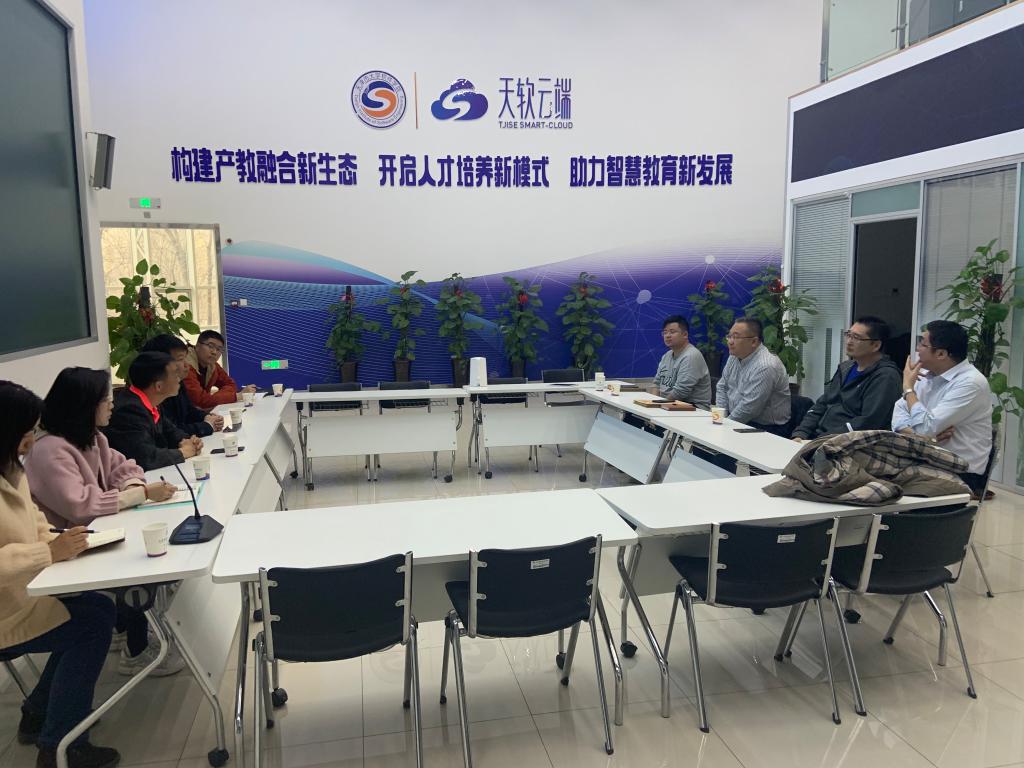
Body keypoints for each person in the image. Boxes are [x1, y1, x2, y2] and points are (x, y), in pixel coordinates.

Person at [24, 368, 184, 678]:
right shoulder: (49, 450)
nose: (112, 405)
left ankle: (123, 628)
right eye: (105, 399)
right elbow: (82, 506)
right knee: (140, 567)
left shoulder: (92, 437)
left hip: (92, 536)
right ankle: (136, 651)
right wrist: (139, 495)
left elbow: (125, 467)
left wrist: (132, 486)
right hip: (64, 549)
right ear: (84, 405)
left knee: (149, 555)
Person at [0, 380, 121, 768]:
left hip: (24, 595)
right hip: (7, 612)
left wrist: (65, 542)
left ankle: (40, 713)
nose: (32, 439)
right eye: (28, 431)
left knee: (98, 609)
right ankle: (60, 747)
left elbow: (36, 522)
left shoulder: (11, 469)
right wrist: (48, 552)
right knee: (90, 625)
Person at [892, 320, 993, 496]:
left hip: (959, 472)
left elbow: (925, 427)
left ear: (941, 353)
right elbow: (898, 414)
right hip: (926, 460)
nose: (917, 349)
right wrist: (921, 436)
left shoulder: (970, 383)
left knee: (887, 489)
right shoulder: (927, 375)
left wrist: (908, 389)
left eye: (923, 344)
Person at [792, 316, 902, 441]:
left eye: (856, 338)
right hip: (819, 438)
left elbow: (867, 423)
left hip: (850, 445)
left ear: (876, 345)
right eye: (848, 335)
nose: (849, 341)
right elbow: (822, 404)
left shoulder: (886, 377)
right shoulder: (845, 368)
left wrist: (819, 441)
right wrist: (801, 433)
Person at [103, 352, 203, 471]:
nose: (179, 379)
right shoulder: (128, 411)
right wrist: (183, 452)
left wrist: (190, 441)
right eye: (175, 374)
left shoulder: (150, 402)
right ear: (159, 386)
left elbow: (171, 432)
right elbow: (145, 458)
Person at [715, 318, 791, 433]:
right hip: (736, 419)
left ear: (754, 342)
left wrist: (724, 427)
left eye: (736, 337)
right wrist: (721, 417)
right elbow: (722, 387)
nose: (730, 341)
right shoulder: (734, 356)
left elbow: (749, 408)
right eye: (729, 336)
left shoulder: (766, 366)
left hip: (766, 428)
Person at [142, 335, 223, 435]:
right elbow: (169, 433)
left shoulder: (177, 382)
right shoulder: (147, 400)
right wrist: (207, 425)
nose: (186, 365)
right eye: (181, 359)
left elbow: (189, 410)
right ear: (160, 363)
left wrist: (207, 417)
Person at [650, 315, 712, 408]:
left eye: (672, 332)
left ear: (685, 335)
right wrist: (653, 403)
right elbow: (656, 384)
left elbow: (680, 391)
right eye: (665, 332)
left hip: (693, 407)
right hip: (669, 404)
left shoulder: (691, 356)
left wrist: (659, 406)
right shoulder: (667, 356)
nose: (667, 336)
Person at [183, 330, 254, 410]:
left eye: (219, 349)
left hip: (200, 412)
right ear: (198, 346)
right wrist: (236, 396)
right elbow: (201, 400)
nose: (214, 352)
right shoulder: (185, 366)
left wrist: (214, 399)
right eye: (210, 346)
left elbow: (230, 384)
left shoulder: (212, 365)